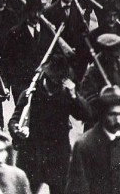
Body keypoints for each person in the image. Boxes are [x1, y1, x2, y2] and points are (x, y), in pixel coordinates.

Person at [8, 54, 92, 194]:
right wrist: (17, 131)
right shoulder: (30, 94)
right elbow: (14, 120)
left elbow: (86, 115)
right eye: (54, 82)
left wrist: (74, 96)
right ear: (46, 78)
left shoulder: (66, 95)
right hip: (32, 156)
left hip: (57, 157)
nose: (55, 87)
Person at [65, 85, 120, 194]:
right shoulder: (84, 145)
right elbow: (78, 187)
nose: (118, 120)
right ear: (102, 114)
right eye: (113, 114)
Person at [80, 33, 120, 130]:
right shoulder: (93, 72)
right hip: (100, 124)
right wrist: (116, 100)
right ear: (106, 54)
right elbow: (88, 101)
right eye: (115, 56)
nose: (118, 59)